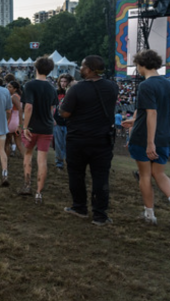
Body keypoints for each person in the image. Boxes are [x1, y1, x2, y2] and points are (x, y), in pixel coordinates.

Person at [122, 49, 170, 233]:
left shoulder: (146, 86)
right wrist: (134, 120)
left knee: (145, 175)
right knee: (160, 174)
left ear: (141, 64)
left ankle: (149, 215)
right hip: (165, 136)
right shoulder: (168, 84)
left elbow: (152, 113)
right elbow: (154, 111)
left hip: (146, 138)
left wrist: (149, 143)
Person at [59, 56, 118, 226]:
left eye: (83, 66)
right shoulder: (112, 87)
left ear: (90, 69)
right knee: (101, 177)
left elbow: (65, 113)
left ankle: (80, 208)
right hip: (102, 140)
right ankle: (100, 215)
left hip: (78, 139)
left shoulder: (77, 90)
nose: (80, 69)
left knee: (76, 175)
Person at [20, 56, 58, 204]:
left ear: (36, 68)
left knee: (28, 155)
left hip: (32, 127)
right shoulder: (52, 88)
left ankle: (27, 185)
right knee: (42, 160)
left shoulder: (29, 85)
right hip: (46, 128)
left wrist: (25, 126)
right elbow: (51, 109)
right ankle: (38, 193)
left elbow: (28, 107)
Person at [54, 74, 73, 171]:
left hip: (69, 123)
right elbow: (52, 106)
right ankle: (59, 164)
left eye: (65, 81)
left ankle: (68, 163)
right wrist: (52, 119)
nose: (63, 83)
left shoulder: (72, 93)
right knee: (58, 144)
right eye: (61, 81)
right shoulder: (56, 92)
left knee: (68, 145)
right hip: (57, 122)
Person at [5, 81, 25, 158]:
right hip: (16, 121)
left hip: (12, 121)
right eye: (7, 86)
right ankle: (26, 161)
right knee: (19, 143)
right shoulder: (19, 96)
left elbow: (19, 109)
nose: (8, 88)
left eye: (10, 87)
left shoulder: (13, 97)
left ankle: (5, 162)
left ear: (15, 89)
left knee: (6, 143)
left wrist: (20, 124)